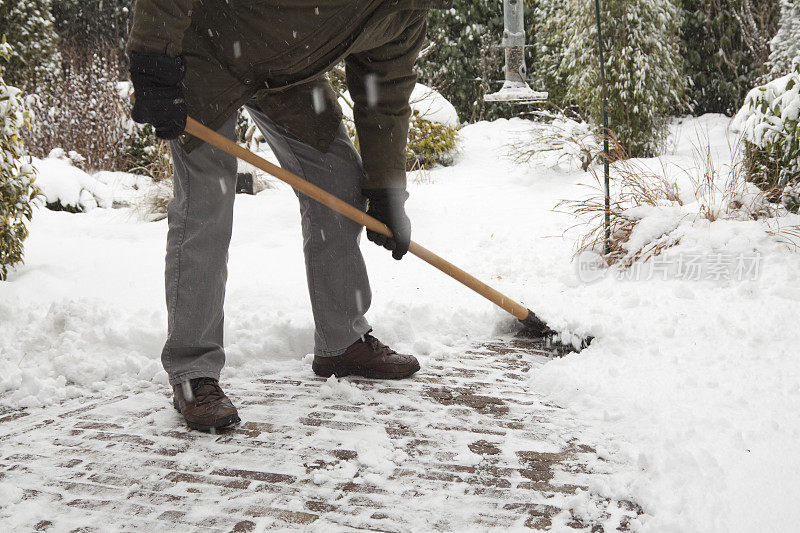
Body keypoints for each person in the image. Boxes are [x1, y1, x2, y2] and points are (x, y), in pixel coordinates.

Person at [127, 0, 451, 431]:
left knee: (338, 181)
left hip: (289, 77)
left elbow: (384, 94)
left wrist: (387, 186)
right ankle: (193, 373)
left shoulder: (407, 14)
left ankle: (342, 341)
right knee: (208, 200)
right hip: (207, 55)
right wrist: (153, 57)